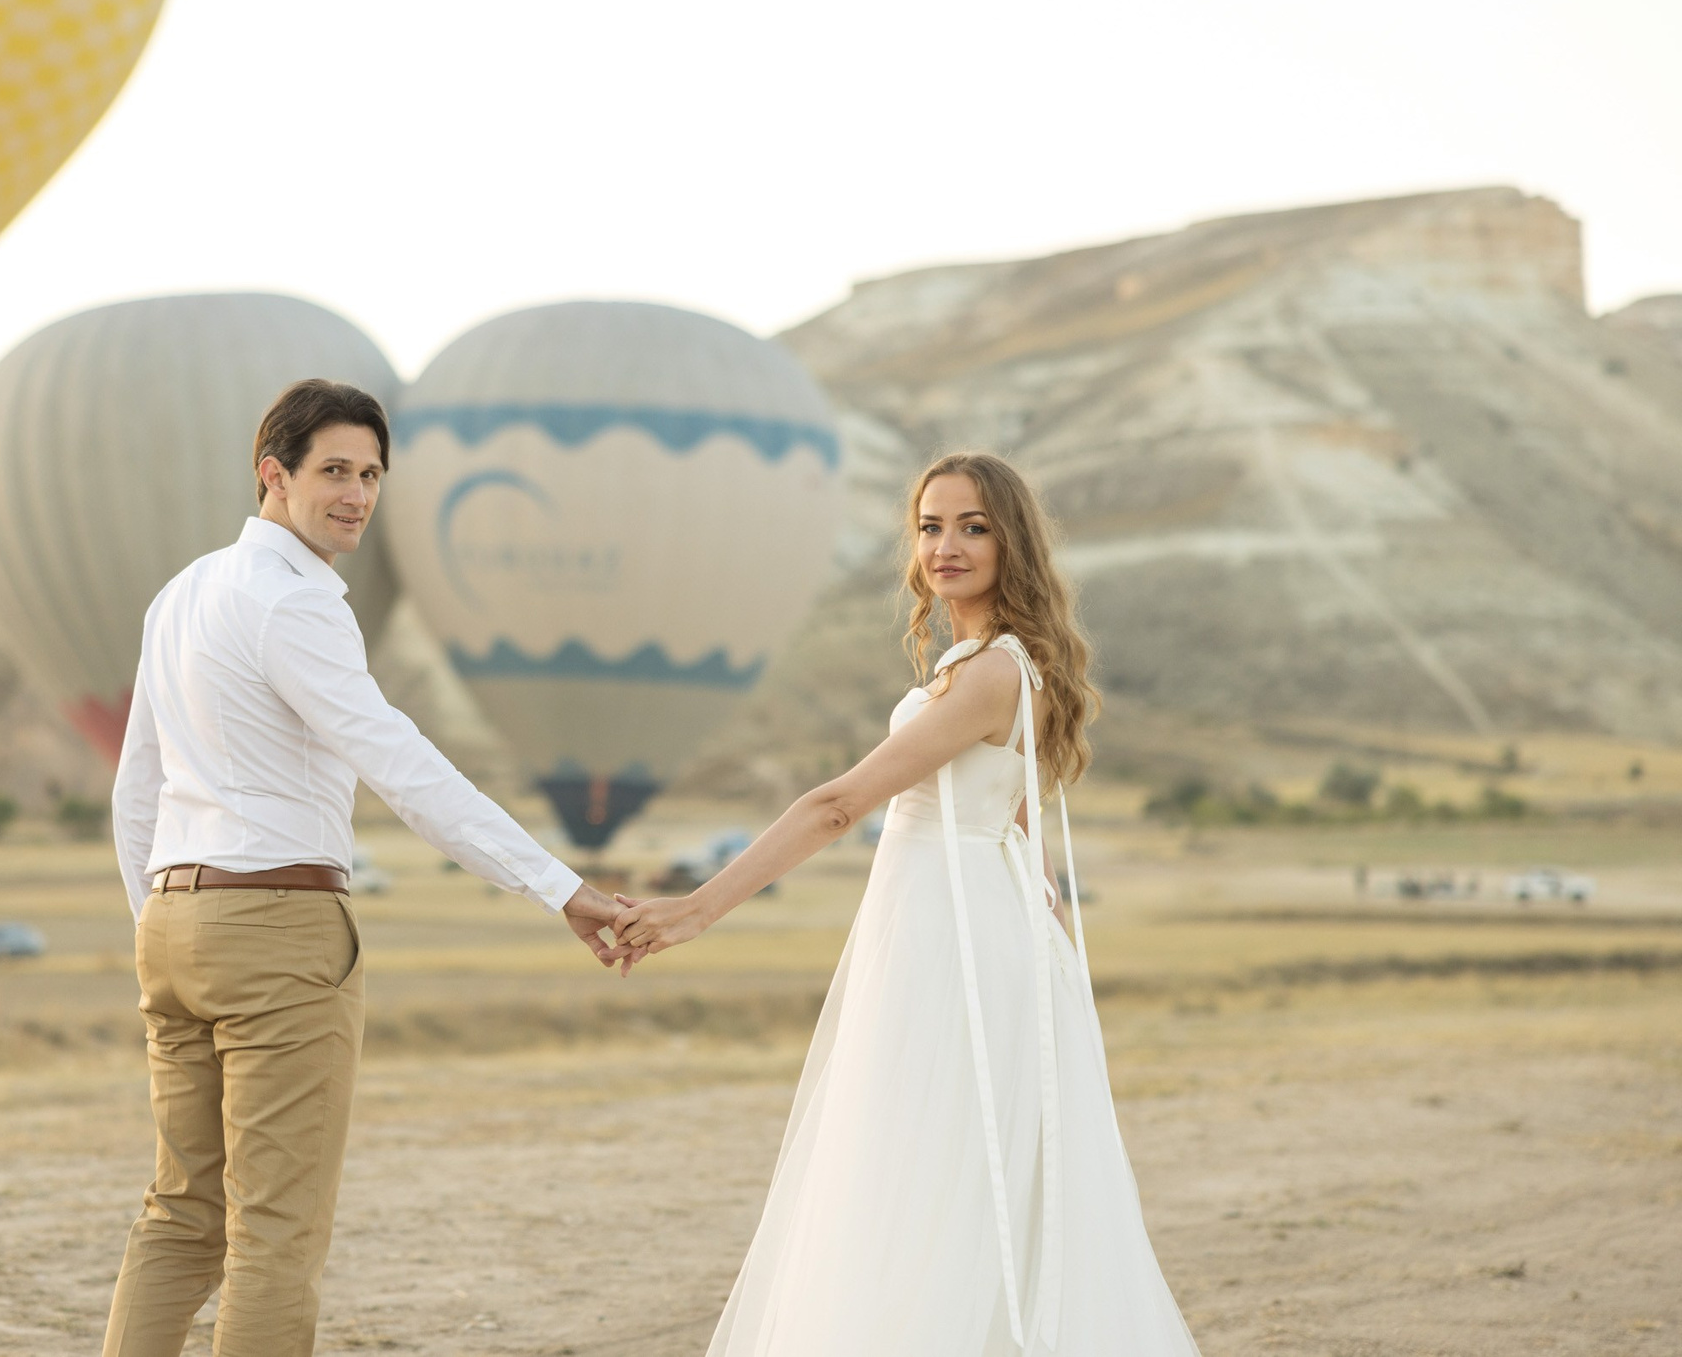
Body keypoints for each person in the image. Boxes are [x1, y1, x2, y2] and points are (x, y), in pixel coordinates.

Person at [612, 451, 1201, 1355]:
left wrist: (696, 909)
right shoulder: (997, 668)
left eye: (974, 526)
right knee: (937, 1173)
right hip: (962, 930)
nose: (947, 546)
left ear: (1014, 542)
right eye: (931, 526)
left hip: (949, 946)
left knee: (922, 1170)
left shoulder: (991, 676)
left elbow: (838, 805)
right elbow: (1013, 822)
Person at [103, 377, 627, 1357]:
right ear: (274, 473)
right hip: (273, 933)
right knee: (275, 1229)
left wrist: (158, 916)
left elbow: (137, 792)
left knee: (181, 1210)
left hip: (175, 928)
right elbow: (400, 763)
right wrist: (558, 884)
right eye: (334, 470)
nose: (356, 494)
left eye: (372, 474)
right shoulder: (294, 603)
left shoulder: (182, 593)